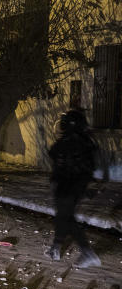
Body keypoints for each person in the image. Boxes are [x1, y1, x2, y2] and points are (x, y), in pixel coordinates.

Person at [45, 109, 100, 267]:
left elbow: (55, 153)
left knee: (66, 217)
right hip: (74, 184)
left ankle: (88, 253)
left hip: (68, 184)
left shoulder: (72, 141)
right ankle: (55, 249)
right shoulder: (85, 140)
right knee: (63, 216)